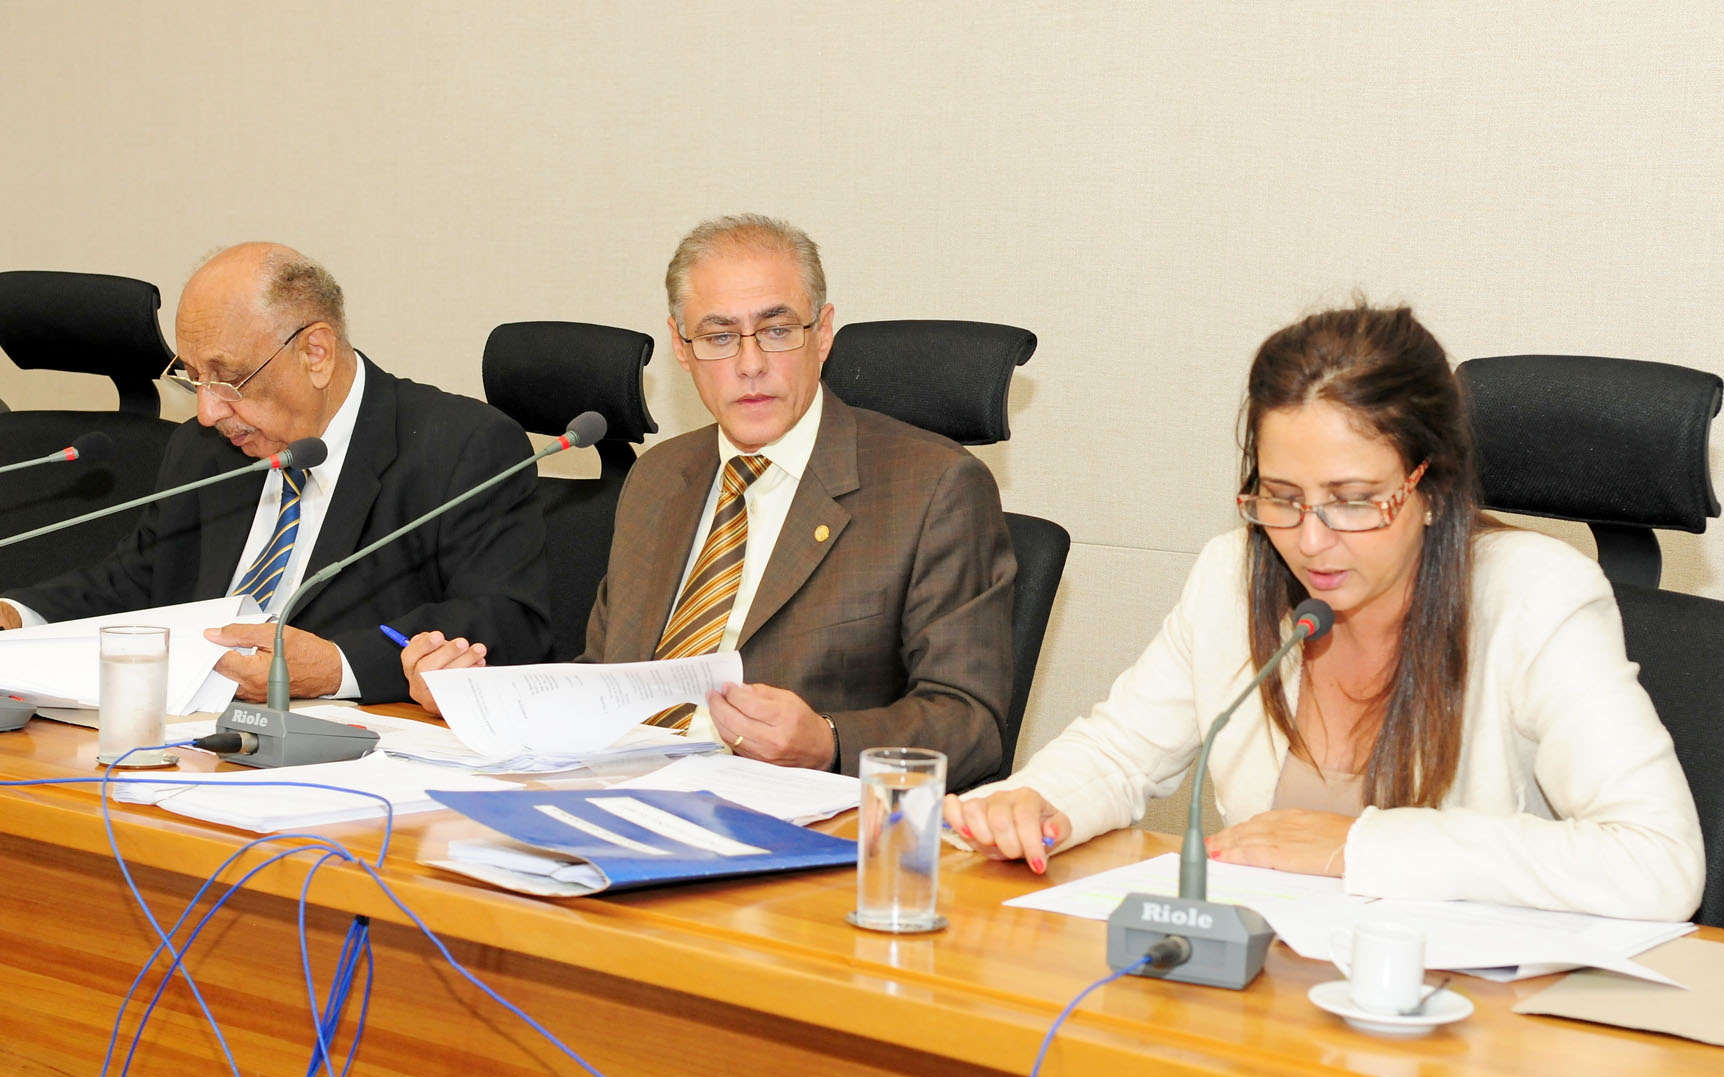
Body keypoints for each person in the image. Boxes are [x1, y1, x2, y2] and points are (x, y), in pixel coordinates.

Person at [946, 303, 1704, 920]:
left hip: (1465, 1018)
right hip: (1272, 994)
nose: (1309, 541)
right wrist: (1035, 803)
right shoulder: (1233, 575)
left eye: (1353, 501)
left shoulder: (1535, 597)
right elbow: (1119, 756)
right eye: (1281, 497)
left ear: (1432, 487)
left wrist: (1358, 847)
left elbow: (1659, 861)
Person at [402, 215, 1016, 789]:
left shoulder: (935, 487)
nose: (750, 365)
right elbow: (603, 682)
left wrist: (829, 740)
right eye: (719, 336)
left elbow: (971, 723)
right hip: (617, 794)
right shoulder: (660, 476)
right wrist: (478, 701)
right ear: (681, 346)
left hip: (783, 820)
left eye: (777, 331)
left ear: (823, 333)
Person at [0, 242, 550, 704]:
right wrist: (17, 616)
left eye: (228, 379)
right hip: (191, 729)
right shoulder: (204, 448)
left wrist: (338, 668)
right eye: (192, 377)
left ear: (316, 353)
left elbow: (509, 621)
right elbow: (136, 582)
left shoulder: (459, 446)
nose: (207, 412)